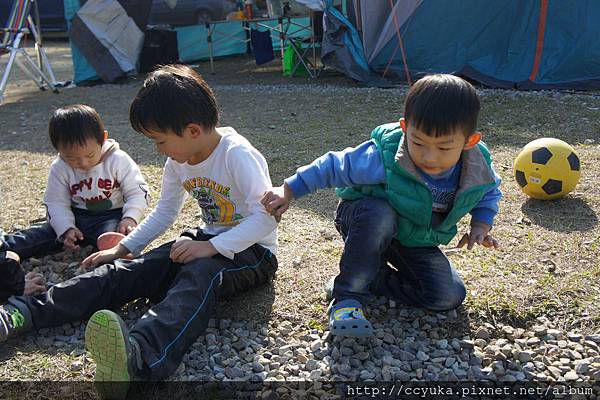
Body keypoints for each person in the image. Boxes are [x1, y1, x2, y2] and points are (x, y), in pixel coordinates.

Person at [0, 65, 278, 399]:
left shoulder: (238, 154)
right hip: (206, 240)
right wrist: (123, 249)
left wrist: (212, 247)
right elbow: (164, 211)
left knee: (200, 276)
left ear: (191, 130)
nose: (158, 149)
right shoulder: (178, 161)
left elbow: (266, 219)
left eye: (160, 140)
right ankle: (24, 311)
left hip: (253, 253)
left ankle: (139, 357)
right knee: (128, 270)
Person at [262, 74, 502, 338]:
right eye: (418, 142)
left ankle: (371, 277)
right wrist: (287, 189)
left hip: (414, 238)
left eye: (444, 147)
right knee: (380, 213)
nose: (429, 156)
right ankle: (347, 298)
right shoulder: (386, 157)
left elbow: (488, 193)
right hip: (366, 221)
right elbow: (333, 166)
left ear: (469, 142)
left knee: (448, 295)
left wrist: (480, 224)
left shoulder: (477, 167)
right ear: (404, 128)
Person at [0, 104, 149, 301]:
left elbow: (137, 191)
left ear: (103, 139)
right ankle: (6, 246)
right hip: (75, 216)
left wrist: (130, 217)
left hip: (109, 215)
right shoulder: (60, 168)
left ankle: (117, 251)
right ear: (59, 151)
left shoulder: (118, 160)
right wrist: (65, 228)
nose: (83, 163)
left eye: (90, 155)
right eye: (72, 158)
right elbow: (55, 202)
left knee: (110, 235)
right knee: (41, 234)